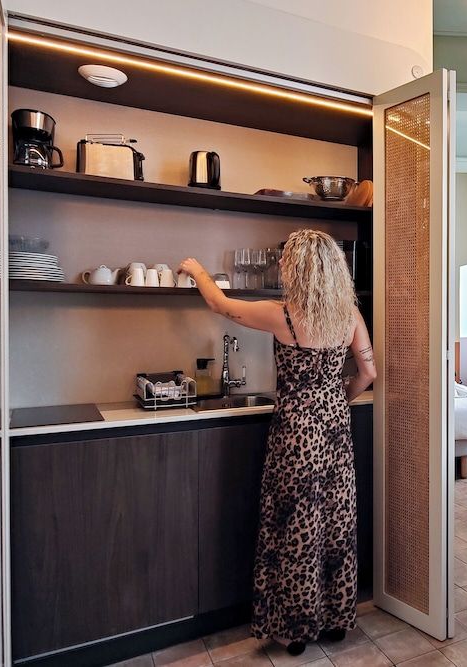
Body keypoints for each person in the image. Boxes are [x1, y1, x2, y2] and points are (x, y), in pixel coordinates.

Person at [179, 229, 376, 656]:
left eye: (287, 260)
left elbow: (221, 304)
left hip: (296, 431)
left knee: (296, 525)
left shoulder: (282, 315)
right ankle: (336, 619)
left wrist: (197, 271)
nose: (282, 265)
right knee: (335, 521)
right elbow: (368, 373)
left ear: (299, 269)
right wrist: (335, 399)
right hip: (336, 427)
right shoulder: (349, 315)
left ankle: (295, 629)